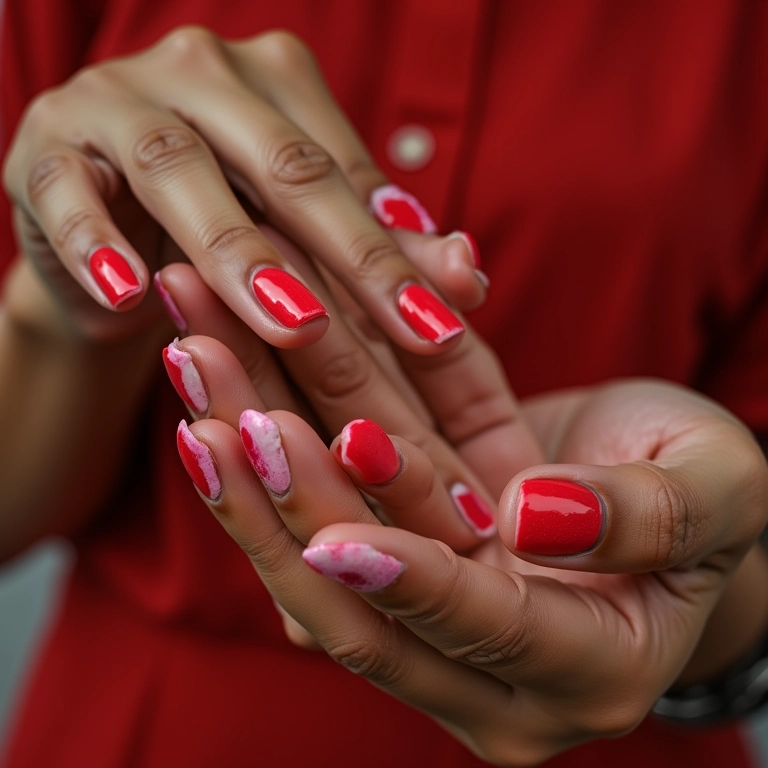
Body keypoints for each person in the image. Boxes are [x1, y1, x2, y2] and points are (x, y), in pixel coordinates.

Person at [1, 2, 768, 766]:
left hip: (627, 739)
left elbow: (746, 552)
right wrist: (67, 317)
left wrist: (682, 569)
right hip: (150, 728)